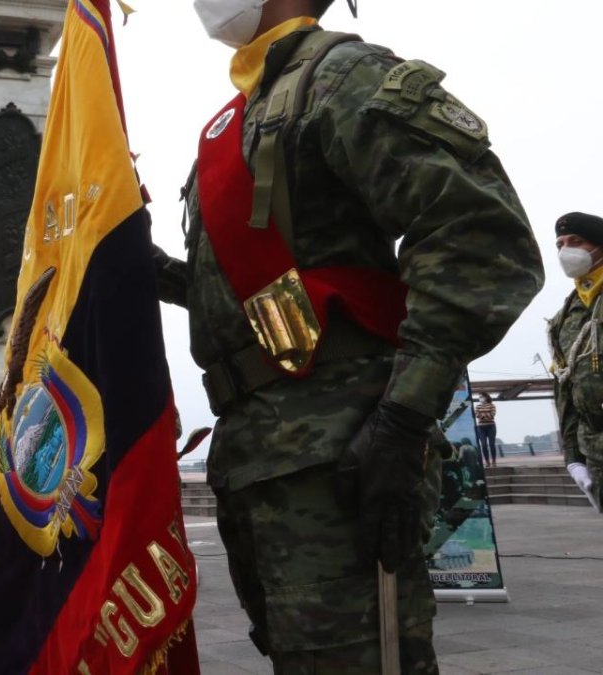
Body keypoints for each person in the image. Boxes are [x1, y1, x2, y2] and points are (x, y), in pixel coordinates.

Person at [154, 0, 544, 670]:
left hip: (341, 455)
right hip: (258, 461)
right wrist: (150, 267)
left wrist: (402, 417)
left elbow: (481, 241)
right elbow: (268, 298)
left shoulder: (342, 76)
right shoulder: (238, 116)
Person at [549, 211, 603, 513]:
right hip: (595, 453)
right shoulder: (566, 316)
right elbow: (565, 388)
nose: (566, 250)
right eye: (560, 244)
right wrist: (573, 458)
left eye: (576, 241)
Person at [474, 392, 499, 468]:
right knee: (484, 445)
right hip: (481, 428)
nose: (480, 398)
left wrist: (482, 416)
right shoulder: (477, 406)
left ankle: (494, 461)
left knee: (492, 444)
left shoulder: (492, 405)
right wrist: (486, 415)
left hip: (491, 427)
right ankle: (487, 462)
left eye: (482, 397)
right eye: (479, 397)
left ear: (486, 397)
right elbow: (477, 415)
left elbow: (492, 415)